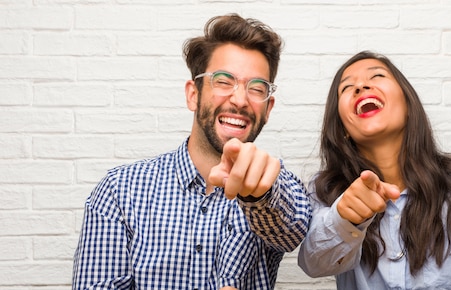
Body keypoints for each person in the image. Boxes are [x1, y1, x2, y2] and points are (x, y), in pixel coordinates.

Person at [72, 14, 311, 290]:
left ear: (268, 110)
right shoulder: (119, 191)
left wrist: (256, 194)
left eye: (256, 88)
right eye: (223, 81)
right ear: (193, 95)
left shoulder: (277, 184)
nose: (240, 99)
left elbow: (291, 231)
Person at [297, 51, 451, 289]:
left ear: (408, 105)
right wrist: (345, 219)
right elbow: (314, 264)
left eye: (377, 75)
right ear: (343, 128)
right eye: (347, 87)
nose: (361, 86)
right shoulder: (326, 189)